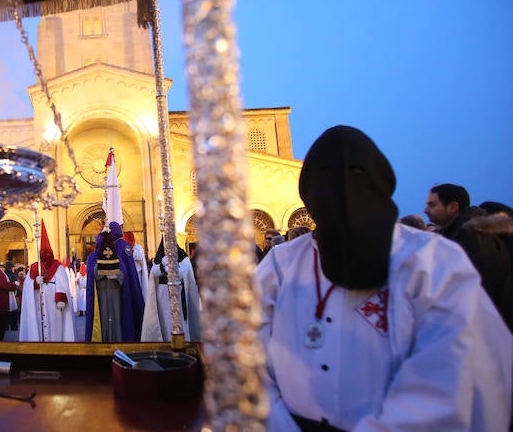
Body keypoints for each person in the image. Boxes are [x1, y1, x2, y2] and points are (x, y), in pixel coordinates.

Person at [256, 126, 511, 431]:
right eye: (326, 176)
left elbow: (451, 371)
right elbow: (246, 357)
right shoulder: (281, 264)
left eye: (356, 174)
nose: (343, 190)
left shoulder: (432, 262)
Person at [424, 183, 513, 329]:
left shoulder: (473, 236)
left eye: (432, 205)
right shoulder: (456, 234)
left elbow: (483, 286)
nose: (426, 210)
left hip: (488, 326)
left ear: (453, 207)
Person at [84, 221, 144, 342]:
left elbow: (124, 275)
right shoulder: (92, 257)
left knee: (116, 320)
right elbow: (90, 272)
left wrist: (116, 276)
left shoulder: (118, 255)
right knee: (102, 321)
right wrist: (101, 271)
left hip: (116, 294)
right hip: (100, 295)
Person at [19, 221, 76, 342]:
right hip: (38, 304)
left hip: (53, 305)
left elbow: (62, 284)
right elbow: (27, 286)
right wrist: (35, 283)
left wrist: (61, 298)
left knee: (55, 331)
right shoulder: (34, 267)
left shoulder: (58, 267)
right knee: (39, 329)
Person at [141, 241, 201, 342]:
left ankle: (181, 342)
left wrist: (174, 269)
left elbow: (187, 273)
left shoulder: (183, 257)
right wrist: (162, 268)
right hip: (162, 295)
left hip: (177, 293)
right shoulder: (160, 258)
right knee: (164, 322)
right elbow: (153, 273)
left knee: (179, 321)